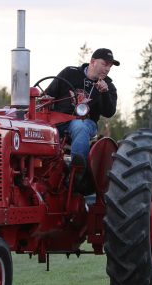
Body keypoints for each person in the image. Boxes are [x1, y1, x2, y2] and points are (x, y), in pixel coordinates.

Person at [45, 48, 119, 187]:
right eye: (105, 64)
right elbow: (49, 94)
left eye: (110, 65)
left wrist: (104, 93)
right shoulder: (70, 73)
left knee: (79, 126)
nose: (108, 68)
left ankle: (77, 171)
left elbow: (109, 112)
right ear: (92, 62)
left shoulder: (109, 86)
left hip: (85, 123)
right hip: (57, 120)